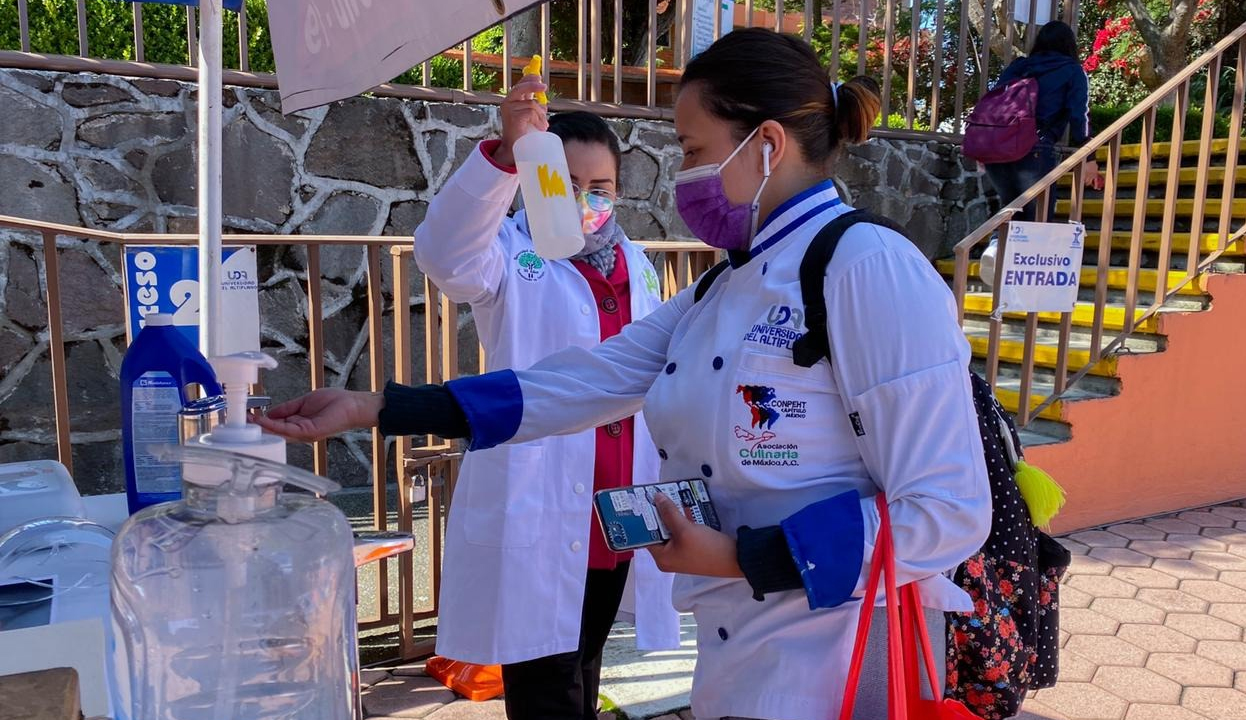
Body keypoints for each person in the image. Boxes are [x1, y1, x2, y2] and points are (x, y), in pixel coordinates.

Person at [260, 28, 990, 720]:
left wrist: (743, 558)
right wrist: (374, 407)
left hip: (836, 666)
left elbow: (948, 510)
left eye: (693, 148)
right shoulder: (719, 290)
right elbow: (577, 383)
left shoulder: (870, 269)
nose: (683, 174)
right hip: (738, 663)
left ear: (766, 144)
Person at [405, 80, 679, 720]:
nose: (587, 199)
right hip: (541, 505)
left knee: (585, 665)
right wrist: (505, 150)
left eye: (602, 186)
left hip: (614, 514)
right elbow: (443, 254)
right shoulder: (507, 250)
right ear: (538, 182)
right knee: (546, 691)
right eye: (568, 183)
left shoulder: (636, 263)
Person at [984, 21, 1100, 223]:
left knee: (1010, 210)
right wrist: (1089, 156)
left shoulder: (1019, 66)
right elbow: (1079, 116)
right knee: (1037, 216)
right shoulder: (1072, 71)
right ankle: (1005, 249)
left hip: (998, 147)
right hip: (1034, 147)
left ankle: (996, 247)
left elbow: (993, 101)